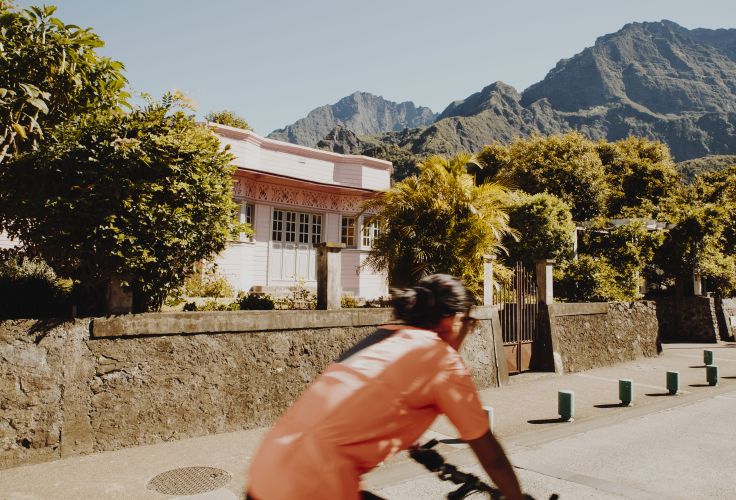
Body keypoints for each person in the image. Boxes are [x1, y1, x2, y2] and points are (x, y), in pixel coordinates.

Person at [246, 274, 522, 500]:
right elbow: (489, 451)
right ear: (453, 320)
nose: (467, 332)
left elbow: (365, 403)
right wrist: (517, 498)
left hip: (264, 472)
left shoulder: (383, 337)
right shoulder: (440, 358)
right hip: (313, 487)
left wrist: (418, 449)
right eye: (468, 324)